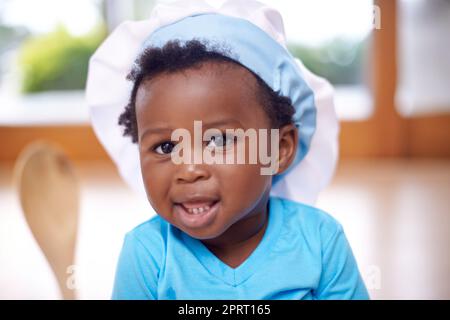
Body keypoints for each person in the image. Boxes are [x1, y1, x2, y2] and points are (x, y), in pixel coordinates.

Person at [86, 0, 369, 300]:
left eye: (219, 141)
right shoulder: (147, 254)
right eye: (166, 146)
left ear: (279, 149)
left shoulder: (321, 242)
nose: (189, 169)